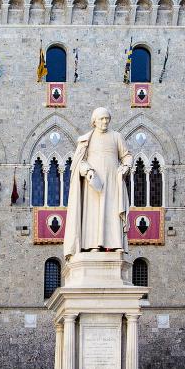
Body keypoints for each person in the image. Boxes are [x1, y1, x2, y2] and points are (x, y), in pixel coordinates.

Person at [63, 107, 133, 258]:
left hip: (112, 181)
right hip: (93, 184)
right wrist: (87, 170)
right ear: (94, 121)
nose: (105, 121)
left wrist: (126, 166)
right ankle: (91, 245)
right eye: (101, 119)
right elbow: (78, 163)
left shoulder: (116, 137)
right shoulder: (86, 139)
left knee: (112, 212)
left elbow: (127, 156)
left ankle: (115, 245)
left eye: (107, 118)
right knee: (92, 214)